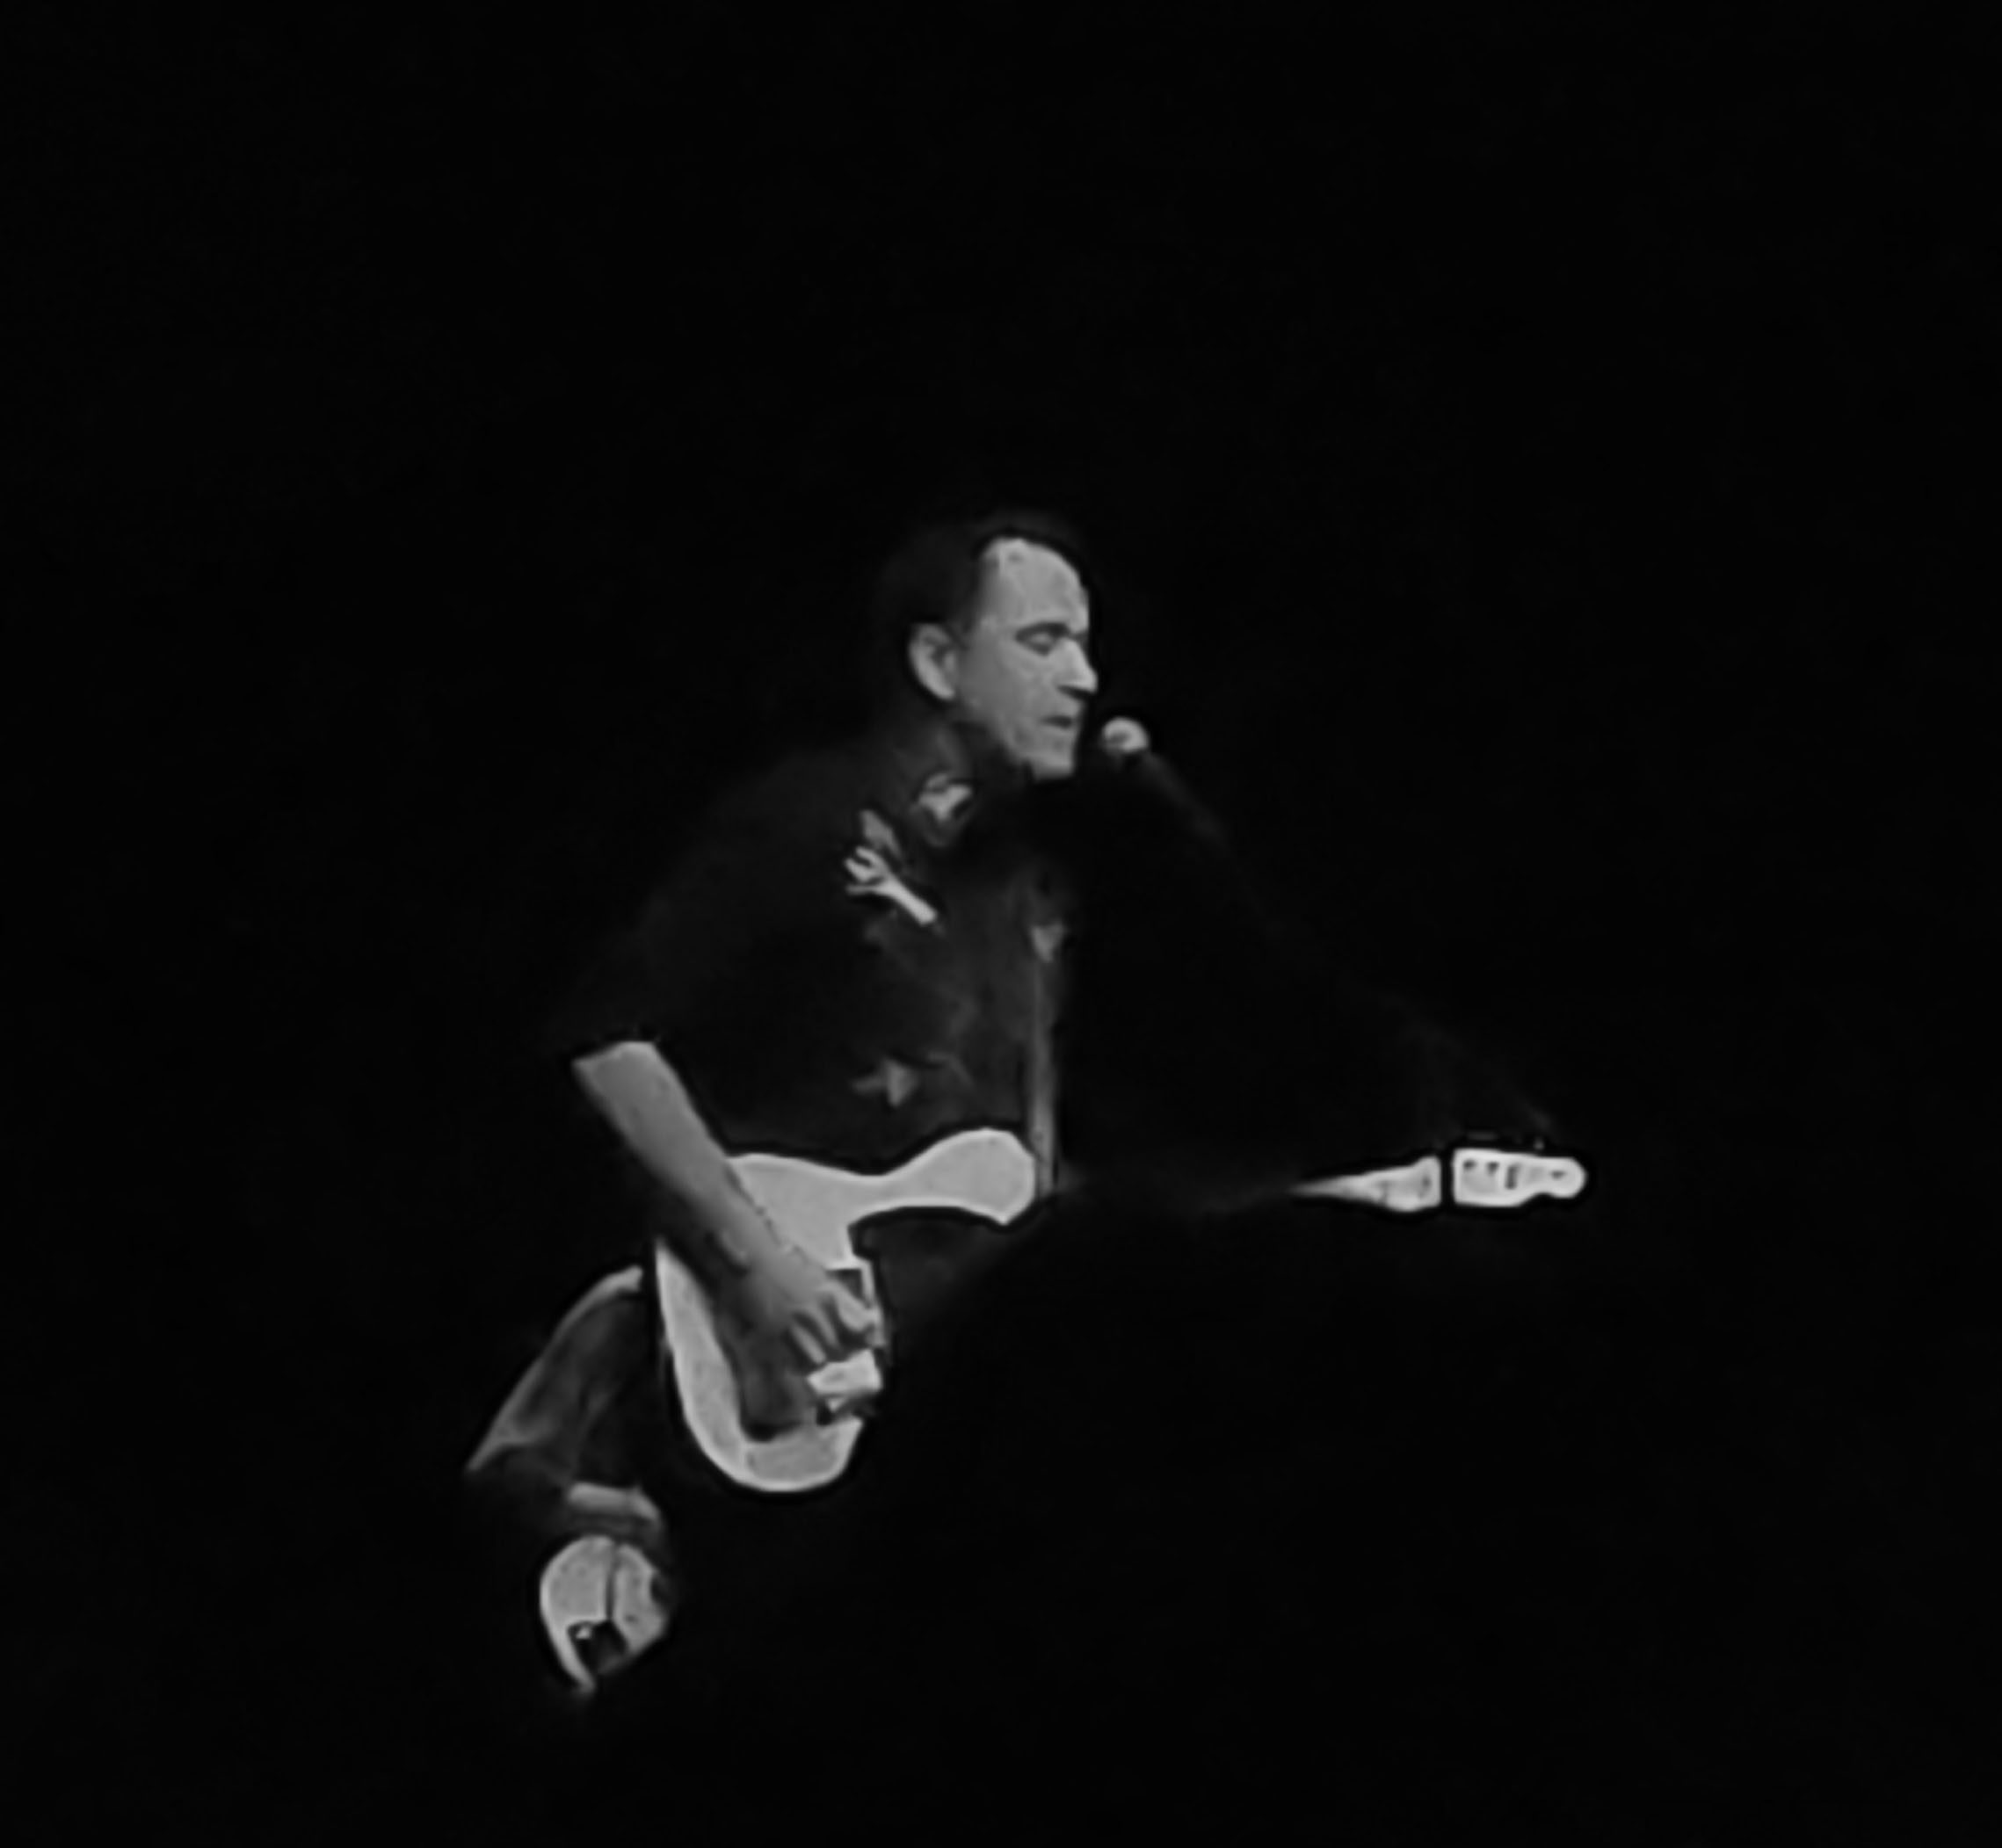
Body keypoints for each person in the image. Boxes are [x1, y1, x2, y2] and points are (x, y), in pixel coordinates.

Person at [464, 507, 1538, 1700]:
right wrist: (756, 1265)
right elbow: (607, 1039)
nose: (1084, 677)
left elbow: (1008, 1183)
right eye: (1041, 641)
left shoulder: (1034, 886)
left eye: (1085, 643)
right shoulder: (806, 821)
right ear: (936, 664)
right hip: (754, 1353)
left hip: (919, 1412)